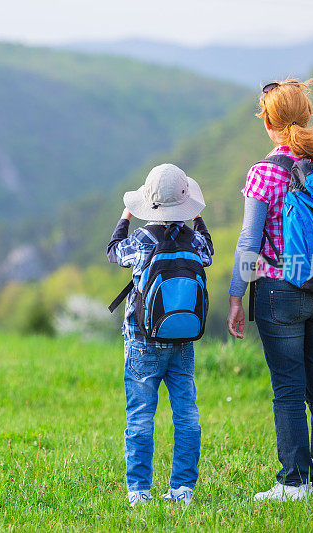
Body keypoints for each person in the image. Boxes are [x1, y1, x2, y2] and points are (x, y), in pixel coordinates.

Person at [227, 79, 313, 501]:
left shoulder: (264, 172)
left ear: (269, 123)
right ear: (305, 118)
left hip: (279, 291)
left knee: (288, 388)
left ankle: (292, 484)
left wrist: (236, 295)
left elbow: (250, 241)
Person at [107, 163, 214, 507]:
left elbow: (114, 251)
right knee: (186, 413)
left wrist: (125, 218)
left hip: (141, 341)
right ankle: (183, 489)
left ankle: (139, 491)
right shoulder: (195, 240)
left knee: (140, 415)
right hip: (182, 342)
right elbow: (209, 252)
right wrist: (197, 218)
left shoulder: (140, 238)